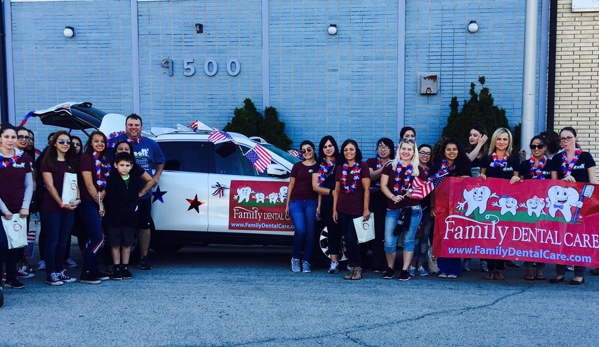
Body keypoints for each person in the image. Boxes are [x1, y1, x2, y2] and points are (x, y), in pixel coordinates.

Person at [109, 114, 165, 270]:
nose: (133, 127)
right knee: (118, 226)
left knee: (144, 226)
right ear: (126, 126)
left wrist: (156, 176)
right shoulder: (116, 143)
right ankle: (116, 262)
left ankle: (143, 257)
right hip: (120, 197)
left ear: (141, 126)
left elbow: (161, 160)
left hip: (143, 194)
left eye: (137, 125)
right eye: (130, 124)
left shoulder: (150, 144)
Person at [549, 127, 598, 285]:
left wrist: (576, 185)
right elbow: (553, 184)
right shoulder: (557, 158)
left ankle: (579, 274)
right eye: (562, 139)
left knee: (579, 238)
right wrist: (564, 183)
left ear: (576, 138)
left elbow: (593, 182)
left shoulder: (585, 157)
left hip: (582, 204)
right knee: (561, 237)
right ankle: (560, 272)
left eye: (568, 138)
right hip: (562, 204)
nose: (565, 141)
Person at [380, 138, 425, 281]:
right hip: (393, 209)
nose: (406, 152)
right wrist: (393, 197)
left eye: (409, 149)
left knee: (408, 240)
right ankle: (390, 268)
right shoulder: (390, 166)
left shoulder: (419, 170)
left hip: (413, 209)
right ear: (399, 150)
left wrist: (414, 193)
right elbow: (383, 186)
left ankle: (405, 270)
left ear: (414, 152)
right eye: (403, 148)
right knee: (389, 241)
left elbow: (423, 190)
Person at [40, 131, 80, 285]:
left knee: (63, 241)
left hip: (69, 206)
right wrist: (61, 203)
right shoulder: (47, 161)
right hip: (52, 206)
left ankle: (59, 270)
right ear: (54, 143)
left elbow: (75, 183)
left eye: (68, 141)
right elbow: (49, 186)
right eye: (61, 141)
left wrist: (77, 199)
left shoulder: (72, 161)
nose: (65, 144)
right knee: (53, 240)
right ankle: (51, 273)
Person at [104, 152, 152, 280]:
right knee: (115, 244)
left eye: (127, 165)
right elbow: (111, 199)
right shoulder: (111, 179)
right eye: (121, 165)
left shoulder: (134, 180)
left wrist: (134, 204)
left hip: (130, 218)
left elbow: (134, 198)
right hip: (114, 217)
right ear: (115, 165)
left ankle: (125, 267)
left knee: (127, 244)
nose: (124, 168)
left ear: (131, 166)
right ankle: (116, 267)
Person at [479, 128, 519, 280]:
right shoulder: (487, 159)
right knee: (490, 233)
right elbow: (481, 178)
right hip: (491, 202)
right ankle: (490, 266)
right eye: (499, 139)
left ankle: (500, 267)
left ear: (509, 142)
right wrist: (482, 178)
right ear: (494, 140)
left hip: (507, 204)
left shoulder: (514, 160)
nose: (502, 142)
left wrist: (517, 180)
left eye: (505, 139)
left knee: (504, 235)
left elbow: (517, 180)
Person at [0, 125, 34, 296]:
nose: (10, 140)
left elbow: (29, 185)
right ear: (0, 138)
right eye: (7, 137)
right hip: (1, 210)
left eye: (13, 137)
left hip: (19, 209)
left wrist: (25, 206)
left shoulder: (24, 158)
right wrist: (4, 209)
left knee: (14, 244)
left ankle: (12, 277)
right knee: (1, 244)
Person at [430, 139, 471, 278]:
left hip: (459, 209)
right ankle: (443, 268)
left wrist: (467, 180)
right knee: (442, 235)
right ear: (444, 152)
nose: (451, 152)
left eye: (454, 149)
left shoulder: (464, 167)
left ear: (458, 151)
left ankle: (455, 269)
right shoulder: (436, 168)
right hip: (441, 208)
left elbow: (471, 189)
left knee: (456, 236)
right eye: (448, 149)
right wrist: (432, 206)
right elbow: (431, 189)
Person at [512, 135, 551, 281]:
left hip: (545, 206)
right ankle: (528, 268)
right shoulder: (524, 165)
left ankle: (540, 269)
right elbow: (520, 183)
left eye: (539, 146)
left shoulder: (551, 164)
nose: (536, 149)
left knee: (542, 237)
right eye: (533, 146)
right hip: (527, 205)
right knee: (528, 237)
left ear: (545, 147)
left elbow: (554, 182)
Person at [332, 139, 370, 280]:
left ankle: (358, 267)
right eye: (346, 149)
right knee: (347, 241)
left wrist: (366, 209)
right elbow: (336, 190)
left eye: (351, 149)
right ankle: (352, 268)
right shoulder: (340, 168)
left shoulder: (363, 166)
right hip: (342, 208)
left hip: (357, 209)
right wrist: (334, 209)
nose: (348, 152)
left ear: (356, 151)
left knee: (351, 238)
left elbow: (366, 190)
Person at [78, 131, 111, 284]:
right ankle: (86, 272)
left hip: (98, 200)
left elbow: (104, 182)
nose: (99, 144)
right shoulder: (86, 158)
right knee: (97, 237)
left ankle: (93, 268)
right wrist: (100, 202)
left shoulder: (104, 160)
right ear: (90, 143)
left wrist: (103, 194)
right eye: (96, 141)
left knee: (97, 237)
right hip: (88, 201)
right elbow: (89, 184)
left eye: (102, 141)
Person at [285, 140, 318, 273]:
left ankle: (307, 261)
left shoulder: (319, 166)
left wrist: (319, 205)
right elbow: (290, 186)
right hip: (296, 202)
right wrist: (287, 205)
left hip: (312, 202)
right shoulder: (297, 166)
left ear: (313, 149)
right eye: (303, 150)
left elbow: (320, 188)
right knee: (301, 229)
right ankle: (295, 258)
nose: (306, 152)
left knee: (311, 233)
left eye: (308, 149)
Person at [312, 136, 342, 274]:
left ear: (335, 146)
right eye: (325, 146)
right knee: (332, 231)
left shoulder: (341, 163)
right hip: (327, 202)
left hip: (343, 200)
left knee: (347, 232)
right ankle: (334, 262)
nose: (328, 148)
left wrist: (336, 193)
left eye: (330, 145)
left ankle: (353, 261)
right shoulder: (319, 165)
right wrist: (319, 205)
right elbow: (317, 187)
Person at [365, 138, 394, 273]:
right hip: (374, 202)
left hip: (390, 201)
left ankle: (387, 264)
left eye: (386, 147)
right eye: (380, 147)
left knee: (387, 233)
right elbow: (370, 176)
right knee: (376, 233)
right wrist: (384, 168)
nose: (383, 150)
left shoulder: (396, 163)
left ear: (391, 150)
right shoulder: (371, 162)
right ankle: (376, 264)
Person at [464, 124, 488, 272]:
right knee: (468, 227)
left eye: (475, 135)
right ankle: (466, 258)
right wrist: (478, 145)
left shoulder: (488, 155)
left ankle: (484, 259)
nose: (472, 137)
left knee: (483, 228)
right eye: (471, 135)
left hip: (483, 196)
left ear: (483, 137)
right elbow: (467, 161)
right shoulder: (466, 152)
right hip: (467, 195)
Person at [410, 143, 433, 277]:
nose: (425, 155)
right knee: (414, 237)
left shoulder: (433, 170)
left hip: (426, 208)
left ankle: (421, 264)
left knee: (424, 237)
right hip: (413, 206)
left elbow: (434, 191)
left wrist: (432, 206)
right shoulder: (412, 168)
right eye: (422, 152)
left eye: (428, 153)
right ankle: (412, 263)